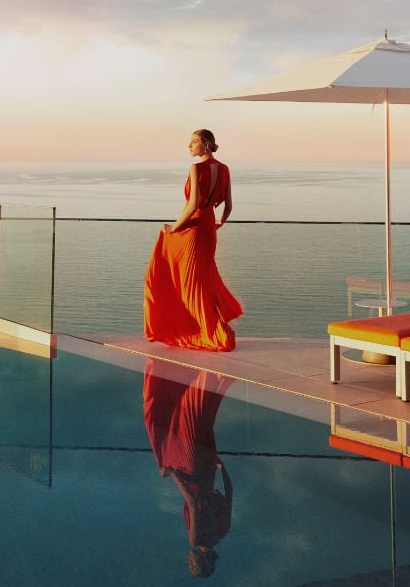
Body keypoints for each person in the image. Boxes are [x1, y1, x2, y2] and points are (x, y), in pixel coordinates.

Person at [143, 129, 243, 351]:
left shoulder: (196, 168)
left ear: (206, 145)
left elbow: (193, 204)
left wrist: (174, 227)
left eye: (194, 142)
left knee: (187, 283)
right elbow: (228, 206)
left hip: (194, 229)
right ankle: (208, 329)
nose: (189, 146)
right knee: (202, 281)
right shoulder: (224, 169)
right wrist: (218, 223)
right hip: (208, 229)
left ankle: (207, 332)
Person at [143, 359, 234, 578]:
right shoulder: (196, 539)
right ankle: (205, 369)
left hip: (207, 467)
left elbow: (229, 493)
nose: (189, 563)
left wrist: (221, 468)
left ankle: (213, 371)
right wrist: (171, 472)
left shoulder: (223, 532)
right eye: (193, 566)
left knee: (200, 416)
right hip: (189, 467)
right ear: (202, 562)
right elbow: (193, 503)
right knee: (185, 415)